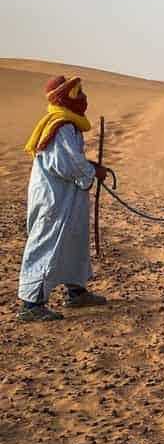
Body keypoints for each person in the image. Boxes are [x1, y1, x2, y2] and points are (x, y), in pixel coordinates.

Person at [18, 75, 109, 321]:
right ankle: (31, 304)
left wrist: (89, 168)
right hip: (55, 199)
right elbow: (66, 164)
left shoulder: (68, 124)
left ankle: (76, 292)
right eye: (78, 93)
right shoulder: (60, 126)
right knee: (48, 242)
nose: (83, 98)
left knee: (73, 241)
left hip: (66, 196)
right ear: (65, 97)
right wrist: (92, 171)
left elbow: (69, 161)